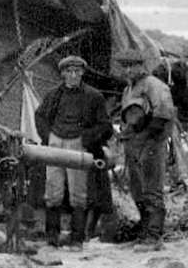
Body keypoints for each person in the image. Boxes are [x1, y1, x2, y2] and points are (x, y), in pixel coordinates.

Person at [34, 55, 113, 249]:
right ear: (63, 74)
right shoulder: (53, 94)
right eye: (69, 71)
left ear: (82, 73)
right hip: (56, 144)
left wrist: (86, 139)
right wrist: (49, 137)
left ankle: (77, 239)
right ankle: (52, 237)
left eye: (77, 71)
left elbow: (105, 125)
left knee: (78, 193)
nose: (73, 75)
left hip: (78, 145)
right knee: (53, 191)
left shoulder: (94, 96)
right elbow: (40, 116)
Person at [116, 49, 176, 251]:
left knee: (152, 190)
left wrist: (146, 140)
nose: (129, 70)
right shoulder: (128, 90)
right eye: (125, 66)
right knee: (138, 191)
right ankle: (144, 232)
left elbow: (163, 115)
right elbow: (130, 119)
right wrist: (125, 134)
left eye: (132, 65)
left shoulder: (154, 85)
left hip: (152, 144)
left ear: (142, 66)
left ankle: (154, 236)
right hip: (133, 146)